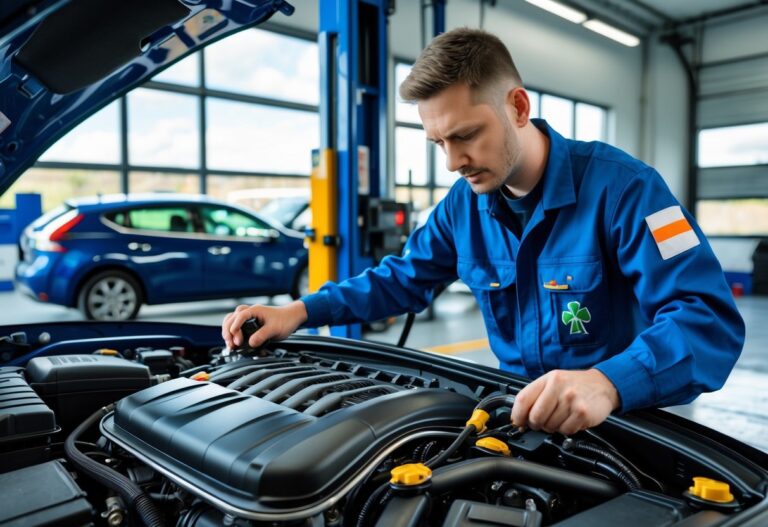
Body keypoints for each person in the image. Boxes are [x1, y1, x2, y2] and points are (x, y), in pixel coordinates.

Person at [222, 28, 744, 435]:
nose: (452, 162)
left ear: (517, 107)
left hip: (627, 425)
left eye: (466, 135)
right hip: (516, 416)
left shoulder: (628, 191)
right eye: (437, 143)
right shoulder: (462, 207)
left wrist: (609, 382)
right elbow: (400, 279)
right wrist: (299, 311)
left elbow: (707, 321)